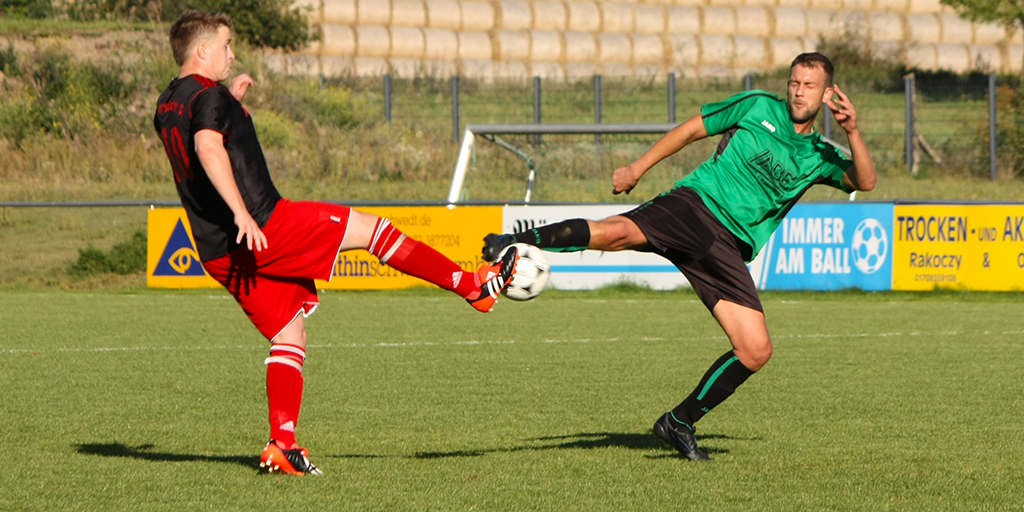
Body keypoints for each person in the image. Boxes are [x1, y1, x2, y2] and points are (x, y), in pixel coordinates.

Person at [153, 11, 519, 476]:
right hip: (264, 225)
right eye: (226, 45)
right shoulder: (209, 97)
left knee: (290, 335)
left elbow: (201, 133)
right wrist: (243, 211)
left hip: (218, 250)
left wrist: (233, 103)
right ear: (201, 51)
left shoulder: (170, 100)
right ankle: (471, 286)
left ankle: (281, 445)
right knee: (372, 230)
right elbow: (207, 147)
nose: (231, 54)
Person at [482, 53, 875, 460]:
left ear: (828, 93)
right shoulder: (757, 105)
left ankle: (678, 422)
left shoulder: (818, 154)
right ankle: (512, 240)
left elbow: (865, 180)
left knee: (756, 349)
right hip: (696, 206)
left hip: (728, 248)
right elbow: (691, 130)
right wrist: (637, 168)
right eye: (794, 82)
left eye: (809, 86)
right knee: (616, 233)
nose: (798, 91)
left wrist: (854, 132)